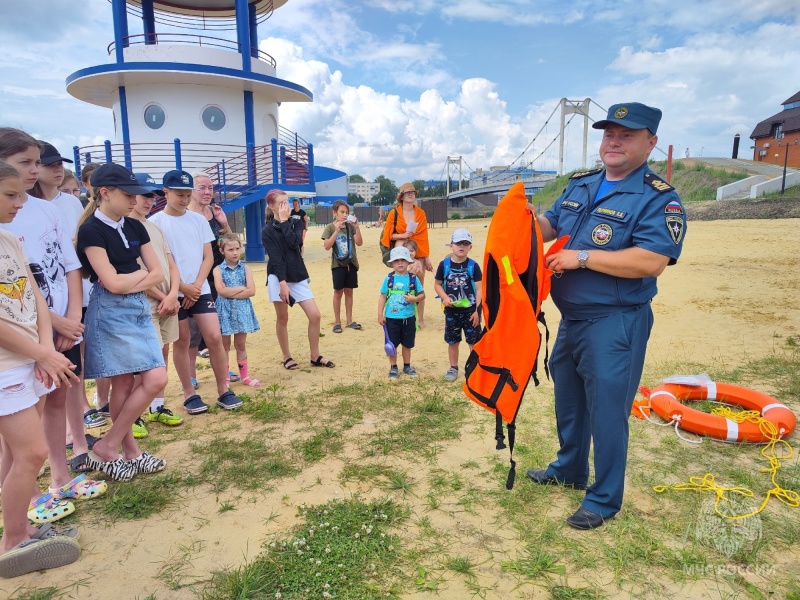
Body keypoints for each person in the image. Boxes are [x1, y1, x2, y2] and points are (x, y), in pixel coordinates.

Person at [526, 102, 687, 530]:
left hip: (616, 323)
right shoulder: (582, 184)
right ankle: (570, 469)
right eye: (609, 134)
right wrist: (519, 222)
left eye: (627, 135)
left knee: (607, 412)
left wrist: (581, 258)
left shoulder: (658, 198)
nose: (614, 142)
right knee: (570, 402)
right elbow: (551, 223)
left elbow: (650, 260)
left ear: (650, 143)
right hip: (572, 319)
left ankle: (603, 498)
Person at [0, 129, 106, 520]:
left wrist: (72, 319)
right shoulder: (9, 218)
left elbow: (69, 265)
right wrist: (55, 326)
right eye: (25, 163)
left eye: (36, 162)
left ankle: (60, 477)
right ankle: (23, 498)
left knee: (60, 396)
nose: (34, 170)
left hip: (59, 331)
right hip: (24, 339)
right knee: (23, 418)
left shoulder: (45, 210)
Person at [76, 163, 169, 482]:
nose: (135, 200)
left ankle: (109, 444)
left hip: (138, 307)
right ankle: (128, 451)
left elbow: (158, 273)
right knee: (125, 383)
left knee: (155, 378)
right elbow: (112, 284)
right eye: (128, 194)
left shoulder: (135, 226)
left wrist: (131, 278)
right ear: (104, 193)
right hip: (111, 311)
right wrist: (141, 276)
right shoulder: (91, 230)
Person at [149, 170, 243, 413]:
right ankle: (189, 393)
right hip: (173, 292)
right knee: (181, 341)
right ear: (166, 193)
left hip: (199, 290)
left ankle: (223, 389)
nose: (183, 199)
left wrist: (197, 286)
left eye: (186, 194)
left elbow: (208, 255)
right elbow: (161, 262)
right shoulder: (155, 223)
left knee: (213, 337)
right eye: (178, 194)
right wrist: (182, 289)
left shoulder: (199, 220)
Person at [128, 177, 184, 428]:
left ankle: (156, 406)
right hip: (146, 303)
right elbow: (133, 274)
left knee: (162, 354)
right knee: (145, 361)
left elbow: (171, 264)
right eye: (143, 195)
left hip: (167, 303)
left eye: (151, 196)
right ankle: (134, 414)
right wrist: (164, 297)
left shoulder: (154, 227)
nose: (148, 201)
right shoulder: (125, 227)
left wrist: (173, 294)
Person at [262, 189, 334, 370]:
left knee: (315, 315)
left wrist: (286, 221)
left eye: (287, 202)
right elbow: (276, 258)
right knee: (283, 317)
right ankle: (287, 356)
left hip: (298, 274)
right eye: (281, 203)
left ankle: (315, 355)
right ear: (271, 206)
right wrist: (282, 283)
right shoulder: (267, 230)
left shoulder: (296, 222)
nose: (285, 206)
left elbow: (295, 243)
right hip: (278, 277)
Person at [433, 229, 482, 382]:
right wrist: (445, 297)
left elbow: (480, 289)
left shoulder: (474, 266)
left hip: (470, 312)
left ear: (470, 247)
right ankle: (453, 367)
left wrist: (477, 312)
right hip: (452, 312)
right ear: (451, 246)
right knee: (453, 341)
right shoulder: (444, 265)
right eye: (458, 243)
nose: (462, 246)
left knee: (474, 341)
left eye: (466, 243)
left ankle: (475, 368)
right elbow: (437, 284)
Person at [381, 183, 432, 327]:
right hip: (401, 254)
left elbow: (423, 236)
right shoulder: (394, 213)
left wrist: (426, 257)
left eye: (413, 192)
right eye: (407, 192)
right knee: (401, 284)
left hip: (418, 252)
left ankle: (420, 319)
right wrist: (404, 235)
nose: (411, 195)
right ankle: (399, 313)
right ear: (401, 196)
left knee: (419, 286)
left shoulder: (421, 213)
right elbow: (388, 235)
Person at [213, 234, 261, 386]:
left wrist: (232, 291)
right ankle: (225, 378)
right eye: (230, 249)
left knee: (240, 345)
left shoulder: (246, 268)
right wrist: (241, 289)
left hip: (242, 311)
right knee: (224, 346)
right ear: (222, 251)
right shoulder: (217, 270)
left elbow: (251, 291)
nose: (235, 252)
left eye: (237, 248)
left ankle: (244, 376)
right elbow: (221, 291)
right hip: (224, 312)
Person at [378, 246, 425, 380]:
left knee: (407, 343)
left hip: (408, 318)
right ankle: (393, 367)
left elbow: (422, 295)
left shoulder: (413, 279)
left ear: (408, 262)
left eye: (403, 260)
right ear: (392, 263)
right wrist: (380, 314)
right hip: (391, 318)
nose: (400, 263)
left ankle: (407, 365)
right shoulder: (388, 279)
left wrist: (414, 299)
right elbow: (382, 296)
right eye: (397, 260)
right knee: (391, 344)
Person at [321, 200, 363, 333]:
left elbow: (359, 243)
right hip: (337, 265)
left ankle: (349, 321)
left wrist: (357, 227)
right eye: (342, 212)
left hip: (351, 263)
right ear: (334, 213)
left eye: (346, 212)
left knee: (349, 291)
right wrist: (336, 231)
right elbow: (327, 246)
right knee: (338, 292)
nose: (345, 215)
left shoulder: (350, 227)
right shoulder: (329, 227)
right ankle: (337, 322)